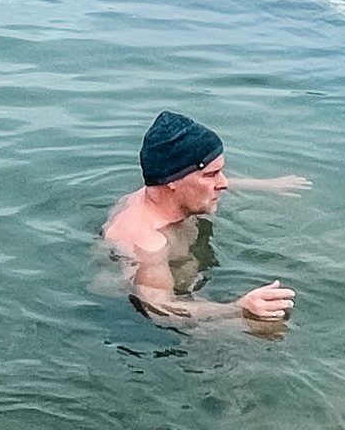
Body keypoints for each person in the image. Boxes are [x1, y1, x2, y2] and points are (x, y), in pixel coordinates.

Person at [102, 109, 308, 328]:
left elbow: (193, 180)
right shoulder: (147, 244)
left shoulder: (155, 190)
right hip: (136, 325)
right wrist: (237, 309)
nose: (224, 183)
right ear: (173, 181)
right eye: (211, 175)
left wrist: (265, 186)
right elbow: (158, 308)